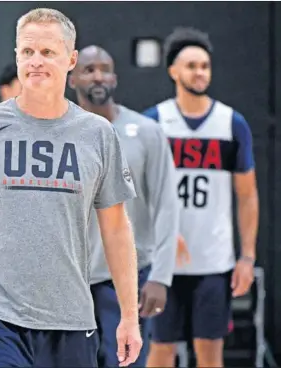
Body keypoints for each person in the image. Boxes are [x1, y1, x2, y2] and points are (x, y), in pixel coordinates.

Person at [0, 8, 142, 368]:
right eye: (27, 52)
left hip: (71, 319)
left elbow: (116, 228)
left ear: (70, 60)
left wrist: (129, 317)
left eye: (47, 52)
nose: (35, 62)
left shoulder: (97, 134)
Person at [143, 27, 259, 368]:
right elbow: (135, 192)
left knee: (209, 351)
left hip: (214, 261)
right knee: (160, 350)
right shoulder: (154, 122)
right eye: (192, 65)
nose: (200, 72)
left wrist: (247, 257)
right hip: (164, 264)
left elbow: (248, 195)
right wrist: (158, 234)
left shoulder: (232, 124)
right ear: (173, 72)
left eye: (205, 66)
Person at [69, 45, 179, 367]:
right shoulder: (59, 133)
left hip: (128, 278)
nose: (98, 76)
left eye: (105, 69)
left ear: (115, 78)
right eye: (89, 70)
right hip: (71, 280)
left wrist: (162, 276)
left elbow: (167, 206)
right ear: (72, 78)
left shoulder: (146, 132)